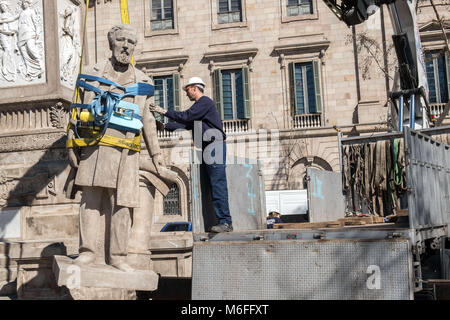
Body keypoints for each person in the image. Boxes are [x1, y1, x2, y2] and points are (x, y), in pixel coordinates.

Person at [65, 24, 168, 272]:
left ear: (134, 47)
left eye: (130, 42)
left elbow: (148, 121)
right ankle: (88, 252)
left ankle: (118, 256)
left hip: (127, 152)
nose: (125, 46)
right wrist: (71, 144)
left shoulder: (143, 81)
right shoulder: (91, 73)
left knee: (123, 206)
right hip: (94, 148)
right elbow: (76, 111)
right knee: (90, 201)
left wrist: (157, 155)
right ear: (111, 43)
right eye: (121, 40)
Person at [149, 77, 233, 233]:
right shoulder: (199, 110)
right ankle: (221, 221)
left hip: (214, 146)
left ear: (195, 88)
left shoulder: (205, 102)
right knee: (212, 186)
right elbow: (184, 124)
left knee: (217, 184)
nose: (186, 93)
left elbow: (186, 116)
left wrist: (165, 111)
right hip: (209, 148)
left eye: (187, 89)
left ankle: (225, 222)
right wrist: (164, 126)